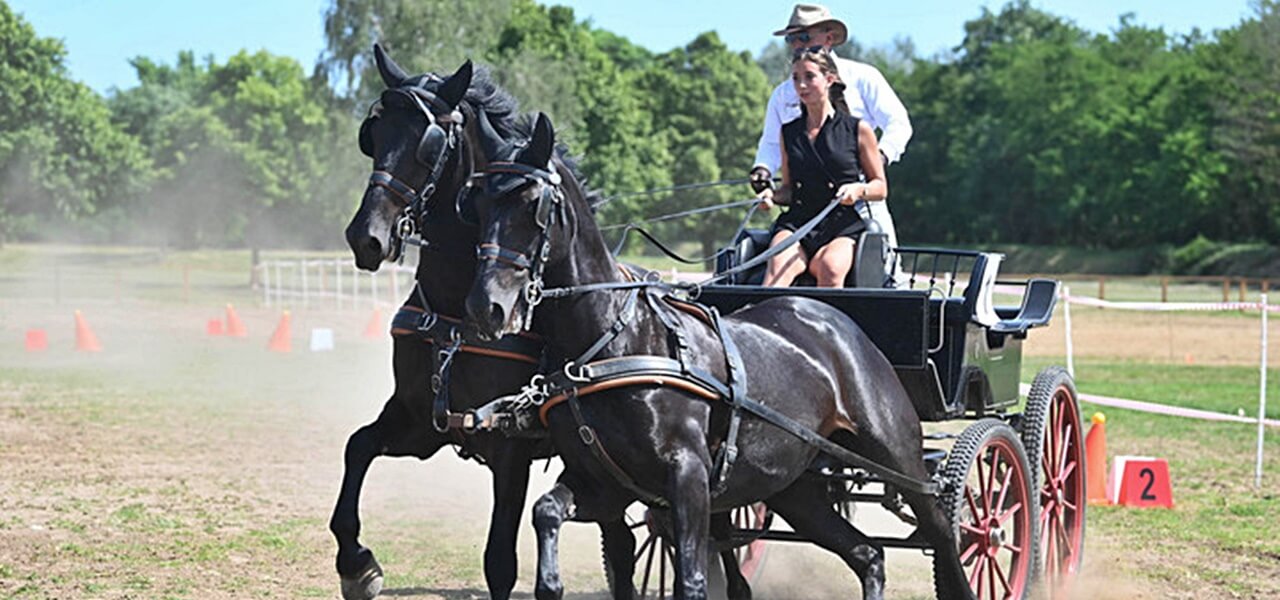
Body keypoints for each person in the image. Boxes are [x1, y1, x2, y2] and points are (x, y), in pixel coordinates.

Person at [749, 3, 910, 270]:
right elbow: (770, 143)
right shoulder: (782, 94)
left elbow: (898, 123)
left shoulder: (864, 77)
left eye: (805, 37)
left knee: (888, 269)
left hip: (859, 198)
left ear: (829, 37)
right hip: (807, 202)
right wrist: (762, 169)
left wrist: (877, 158)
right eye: (792, 39)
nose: (798, 45)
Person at [757, 48, 887, 288]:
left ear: (829, 79)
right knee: (777, 265)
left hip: (841, 225)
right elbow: (788, 190)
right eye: (796, 78)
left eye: (809, 77)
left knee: (830, 267)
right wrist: (772, 196)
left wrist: (858, 190)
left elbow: (880, 187)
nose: (801, 85)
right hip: (798, 222)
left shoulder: (858, 129)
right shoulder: (788, 132)